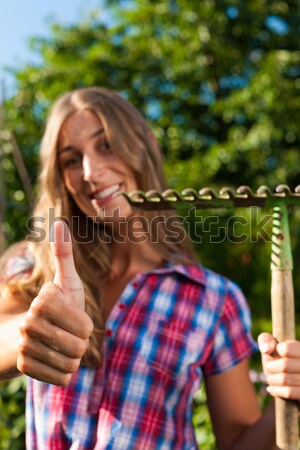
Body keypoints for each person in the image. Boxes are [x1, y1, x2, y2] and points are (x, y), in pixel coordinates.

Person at [0, 86, 299, 450]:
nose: (91, 172)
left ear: (146, 149)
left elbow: (238, 442)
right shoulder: (36, 266)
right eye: (71, 160)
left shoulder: (214, 299)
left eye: (106, 144)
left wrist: (286, 400)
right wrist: (26, 336)